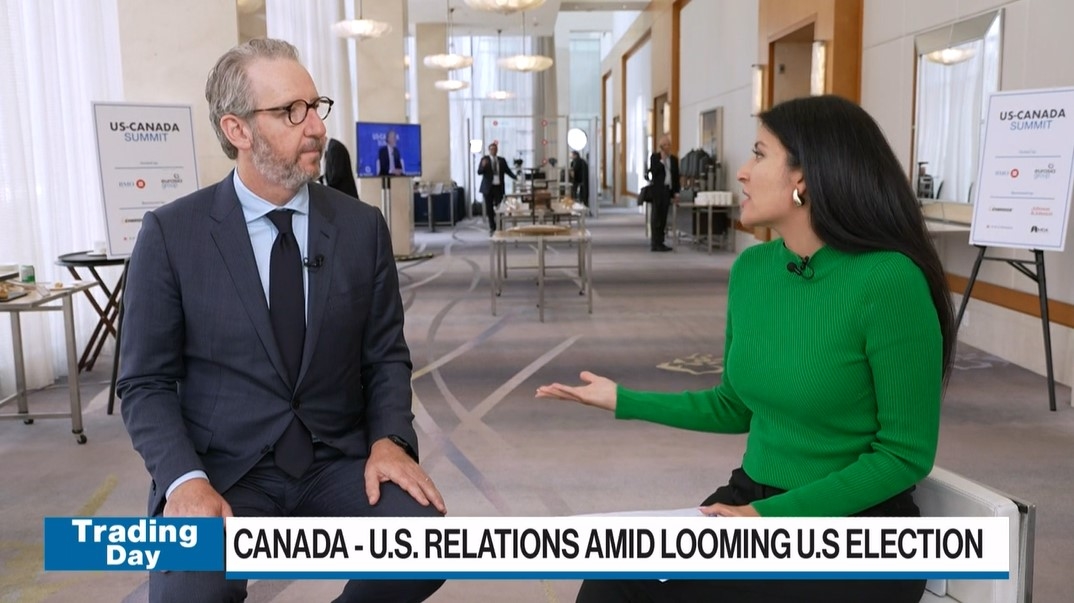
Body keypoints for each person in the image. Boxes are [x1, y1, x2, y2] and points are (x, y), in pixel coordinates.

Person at [536, 95, 955, 603]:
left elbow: (904, 455)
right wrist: (623, 399)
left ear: (804, 178)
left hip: (858, 529)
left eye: (759, 154)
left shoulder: (889, 281)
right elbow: (733, 405)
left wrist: (769, 518)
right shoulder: (753, 270)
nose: (742, 172)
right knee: (615, 577)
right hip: (752, 499)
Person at [118, 38, 445, 603]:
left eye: (316, 106)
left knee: (426, 547)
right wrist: (184, 481)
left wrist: (390, 441)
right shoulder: (172, 235)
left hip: (337, 460)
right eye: (292, 111)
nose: (316, 126)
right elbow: (144, 383)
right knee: (189, 595)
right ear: (238, 130)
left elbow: (386, 357)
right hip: (222, 470)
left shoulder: (362, 228)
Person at [646, 135, 679, 252]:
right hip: (657, 191)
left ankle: (661, 242)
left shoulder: (674, 160)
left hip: (667, 191)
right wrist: (662, 161)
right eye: (664, 145)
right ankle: (654, 242)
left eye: (668, 145)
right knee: (656, 217)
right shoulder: (655, 158)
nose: (667, 147)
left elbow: (676, 177)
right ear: (660, 146)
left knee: (663, 217)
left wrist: (676, 193)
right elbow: (653, 172)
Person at [477, 141, 517, 233]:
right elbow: (479, 172)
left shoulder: (501, 160)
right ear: (489, 150)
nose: (493, 151)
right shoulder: (485, 159)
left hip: (498, 187)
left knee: (500, 207)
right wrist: (483, 166)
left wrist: (515, 177)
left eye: (495, 149)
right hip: (488, 188)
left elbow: (507, 171)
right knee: (489, 208)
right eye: (491, 149)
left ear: (497, 150)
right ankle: (492, 227)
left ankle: (499, 225)